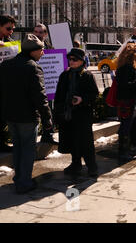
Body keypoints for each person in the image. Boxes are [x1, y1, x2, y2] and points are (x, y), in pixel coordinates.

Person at [0, 34, 53, 194]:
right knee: (28, 150)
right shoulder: (33, 67)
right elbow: (40, 96)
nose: (43, 53)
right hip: (27, 117)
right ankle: (24, 182)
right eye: (41, 50)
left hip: (10, 116)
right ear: (33, 51)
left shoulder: (6, 65)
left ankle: (18, 179)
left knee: (18, 148)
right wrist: (47, 118)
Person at [55, 48, 99, 177]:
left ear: (81, 61)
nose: (71, 61)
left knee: (86, 142)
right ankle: (76, 164)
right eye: (70, 59)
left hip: (83, 114)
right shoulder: (64, 75)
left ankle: (92, 166)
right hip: (68, 114)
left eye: (74, 59)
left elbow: (94, 95)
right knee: (72, 140)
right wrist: (58, 112)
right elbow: (59, 95)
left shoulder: (87, 75)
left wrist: (82, 99)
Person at [115, 43, 136, 163]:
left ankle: (123, 150)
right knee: (126, 126)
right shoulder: (128, 67)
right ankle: (123, 152)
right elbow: (125, 85)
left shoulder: (122, 66)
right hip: (127, 100)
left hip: (124, 100)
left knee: (125, 125)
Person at [0, 14, 16, 153]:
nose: (11, 31)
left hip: (6, 84)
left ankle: (2, 141)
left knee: (3, 114)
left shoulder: (10, 41)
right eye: (8, 28)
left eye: (12, 29)